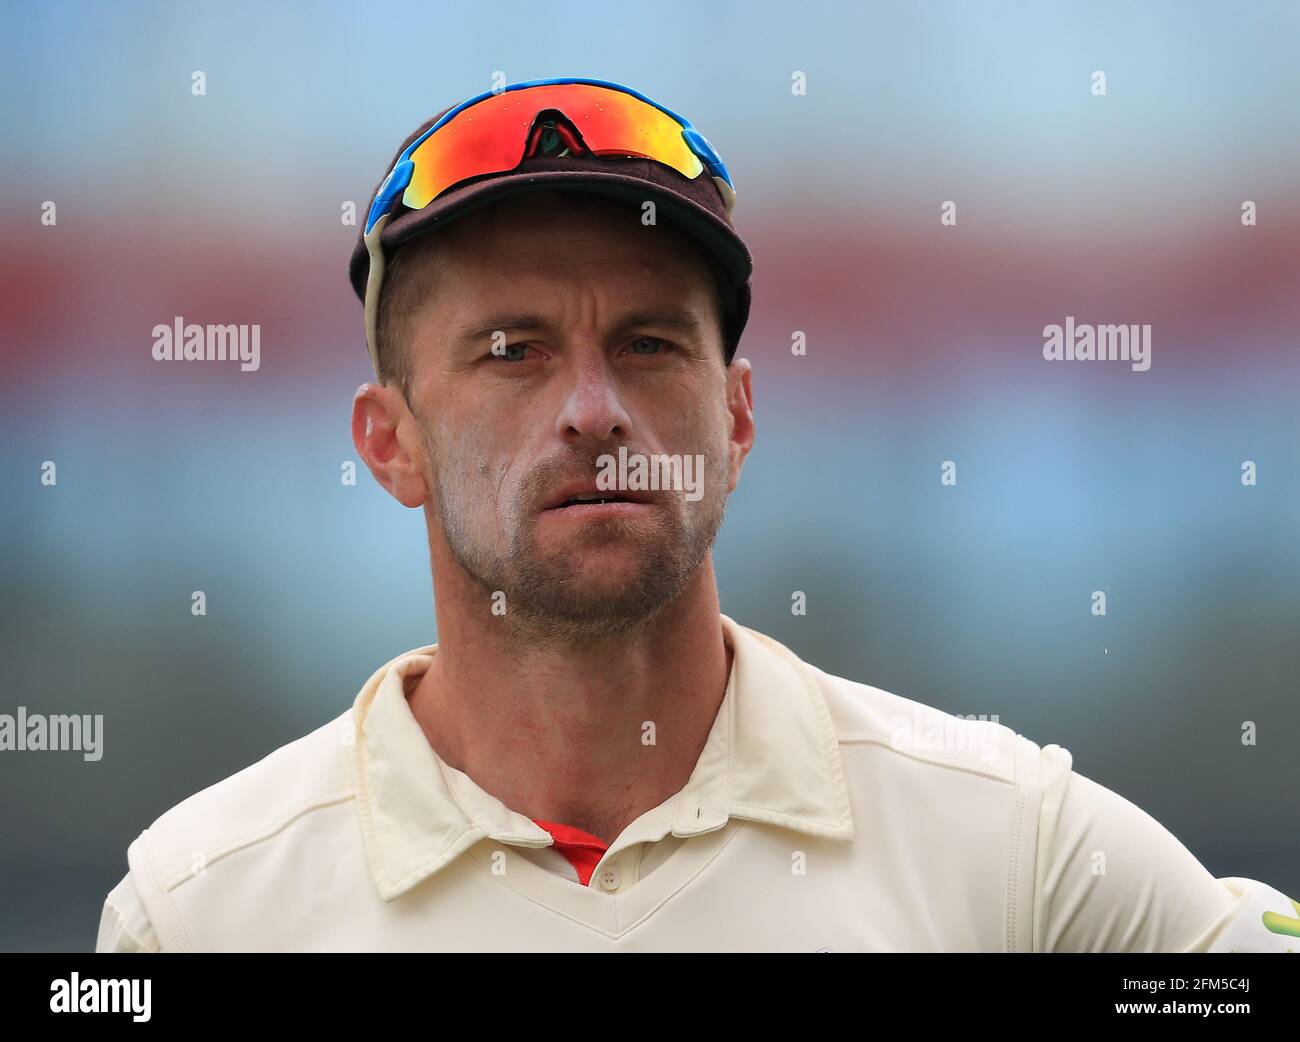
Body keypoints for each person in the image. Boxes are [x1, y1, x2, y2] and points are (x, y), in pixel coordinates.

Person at [96, 78, 1297, 952]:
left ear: (737, 419)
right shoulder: (200, 909)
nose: (593, 409)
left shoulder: (1014, 850)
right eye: (511, 351)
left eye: (649, 344)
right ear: (388, 442)